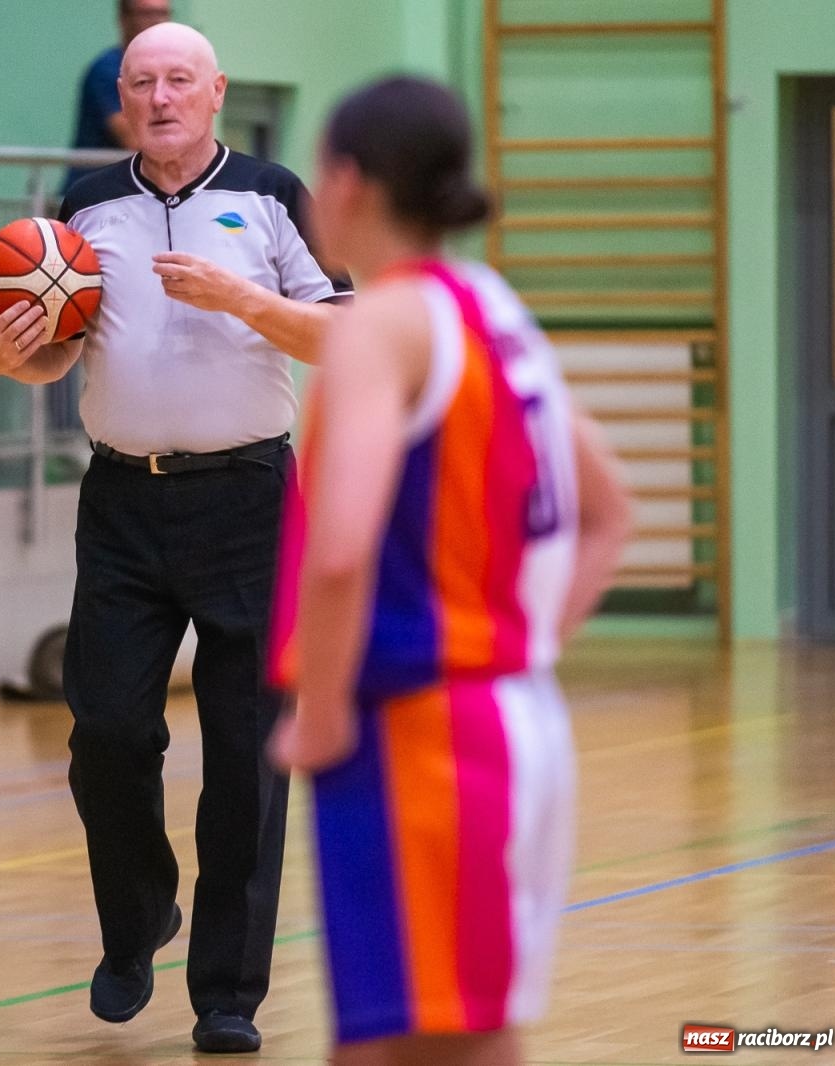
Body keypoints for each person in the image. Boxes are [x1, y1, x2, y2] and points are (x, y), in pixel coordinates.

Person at [0, 22, 349, 1055]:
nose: (161, 95)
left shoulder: (272, 194)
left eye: (179, 78)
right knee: (105, 735)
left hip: (251, 504)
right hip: (123, 507)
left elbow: (345, 334)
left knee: (244, 758)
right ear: (123, 100)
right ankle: (137, 917)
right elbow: (52, 358)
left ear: (215, 90)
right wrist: (3, 356)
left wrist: (243, 298)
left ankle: (227, 994)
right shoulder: (85, 206)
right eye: (142, 82)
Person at [267, 76, 633, 1066]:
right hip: (506, 720)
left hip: (420, 737)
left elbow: (340, 547)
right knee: (441, 1040)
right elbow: (608, 514)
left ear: (345, 183)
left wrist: (328, 706)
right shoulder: (489, 307)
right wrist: (518, 647)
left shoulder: (380, 326)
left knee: (419, 1043)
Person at [62, 0, 172, 194]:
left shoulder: (168, 71)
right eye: (147, 14)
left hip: (132, 195)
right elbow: (135, 139)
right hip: (92, 199)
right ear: (124, 19)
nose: (157, 22)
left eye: (162, 14)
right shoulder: (107, 70)